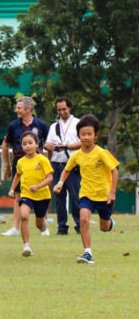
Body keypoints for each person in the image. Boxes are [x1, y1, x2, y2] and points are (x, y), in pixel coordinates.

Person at [53, 114, 119, 265]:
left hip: (104, 195)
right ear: (78, 136)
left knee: (104, 227)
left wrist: (112, 192)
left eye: (89, 134)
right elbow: (67, 169)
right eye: (83, 134)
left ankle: (110, 222)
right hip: (86, 194)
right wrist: (60, 182)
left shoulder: (102, 153)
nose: (86, 137)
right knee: (83, 219)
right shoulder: (77, 155)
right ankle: (88, 253)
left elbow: (115, 171)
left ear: (96, 135)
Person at [1, 96, 49, 237]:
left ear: (28, 109)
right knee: (18, 194)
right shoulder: (13, 126)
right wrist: (8, 165)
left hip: (38, 162)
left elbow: (49, 143)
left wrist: (48, 160)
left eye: (19, 108)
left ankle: (44, 225)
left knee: (41, 192)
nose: (17, 110)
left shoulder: (41, 125)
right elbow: (5, 144)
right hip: (19, 161)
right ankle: (15, 228)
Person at [8, 132, 54, 257]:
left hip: (43, 196)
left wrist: (38, 186)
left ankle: (43, 227)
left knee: (39, 223)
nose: (27, 146)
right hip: (26, 194)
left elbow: (50, 178)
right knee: (24, 216)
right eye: (24, 144)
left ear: (36, 144)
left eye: (30, 143)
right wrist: (12, 189)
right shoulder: (21, 162)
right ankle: (26, 246)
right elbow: (18, 175)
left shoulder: (42, 159)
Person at [43, 97, 81, 235]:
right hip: (56, 164)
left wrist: (67, 146)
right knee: (59, 198)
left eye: (64, 109)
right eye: (59, 110)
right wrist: (48, 146)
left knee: (75, 196)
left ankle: (79, 225)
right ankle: (61, 227)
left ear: (70, 108)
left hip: (72, 165)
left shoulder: (78, 123)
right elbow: (47, 144)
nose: (61, 112)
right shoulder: (54, 126)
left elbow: (83, 142)